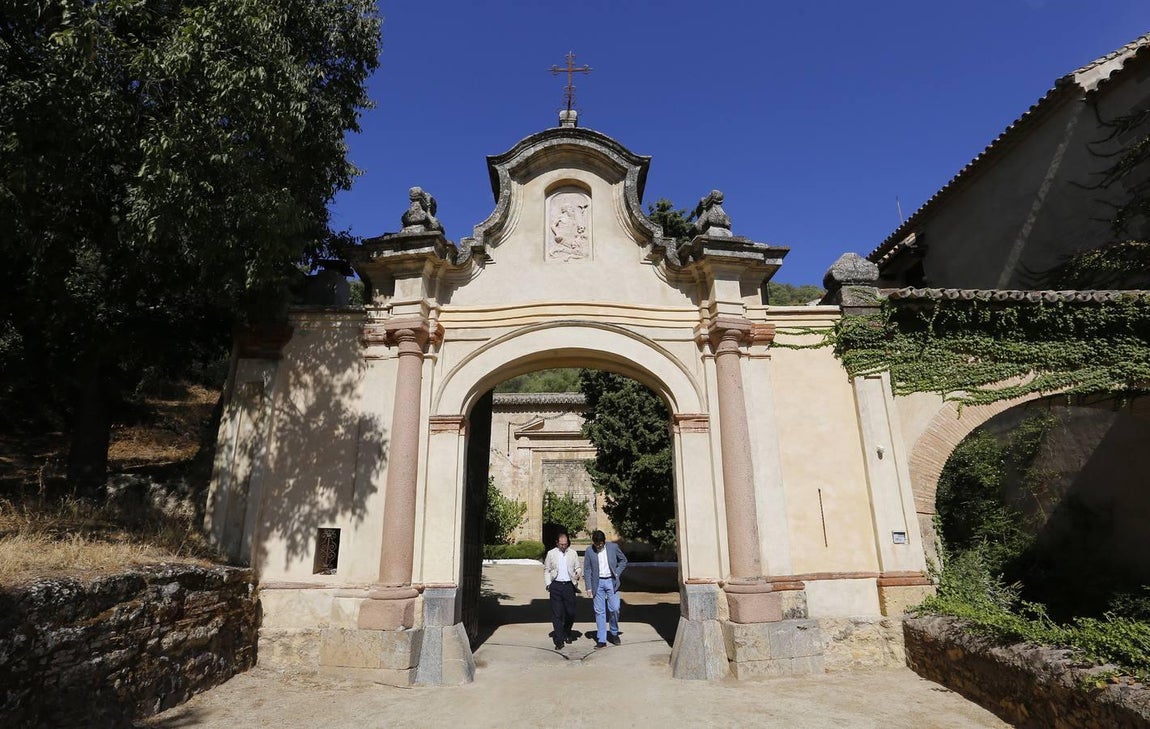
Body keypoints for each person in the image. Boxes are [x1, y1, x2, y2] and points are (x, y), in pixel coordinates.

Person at [583, 529, 627, 648]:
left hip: (611, 581)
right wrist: (588, 587)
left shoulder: (613, 547)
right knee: (599, 611)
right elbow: (587, 569)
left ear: (604, 541)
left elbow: (623, 560)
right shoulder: (589, 550)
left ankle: (614, 632)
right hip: (597, 583)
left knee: (615, 608)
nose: (598, 546)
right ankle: (601, 639)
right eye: (596, 544)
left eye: (600, 544)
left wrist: (617, 573)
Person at [543, 531, 583, 650]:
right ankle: (559, 640)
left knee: (571, 612)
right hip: (556, 585)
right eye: (561, 544)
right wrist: (548, 584)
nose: (563, 546)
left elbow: (578, 567)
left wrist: (578, 573)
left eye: (565, 544)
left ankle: (567, 631)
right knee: (557, 614)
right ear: (557, 543)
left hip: (569, 586)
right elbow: (547, 570)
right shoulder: (551, 554)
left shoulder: (573, 553)